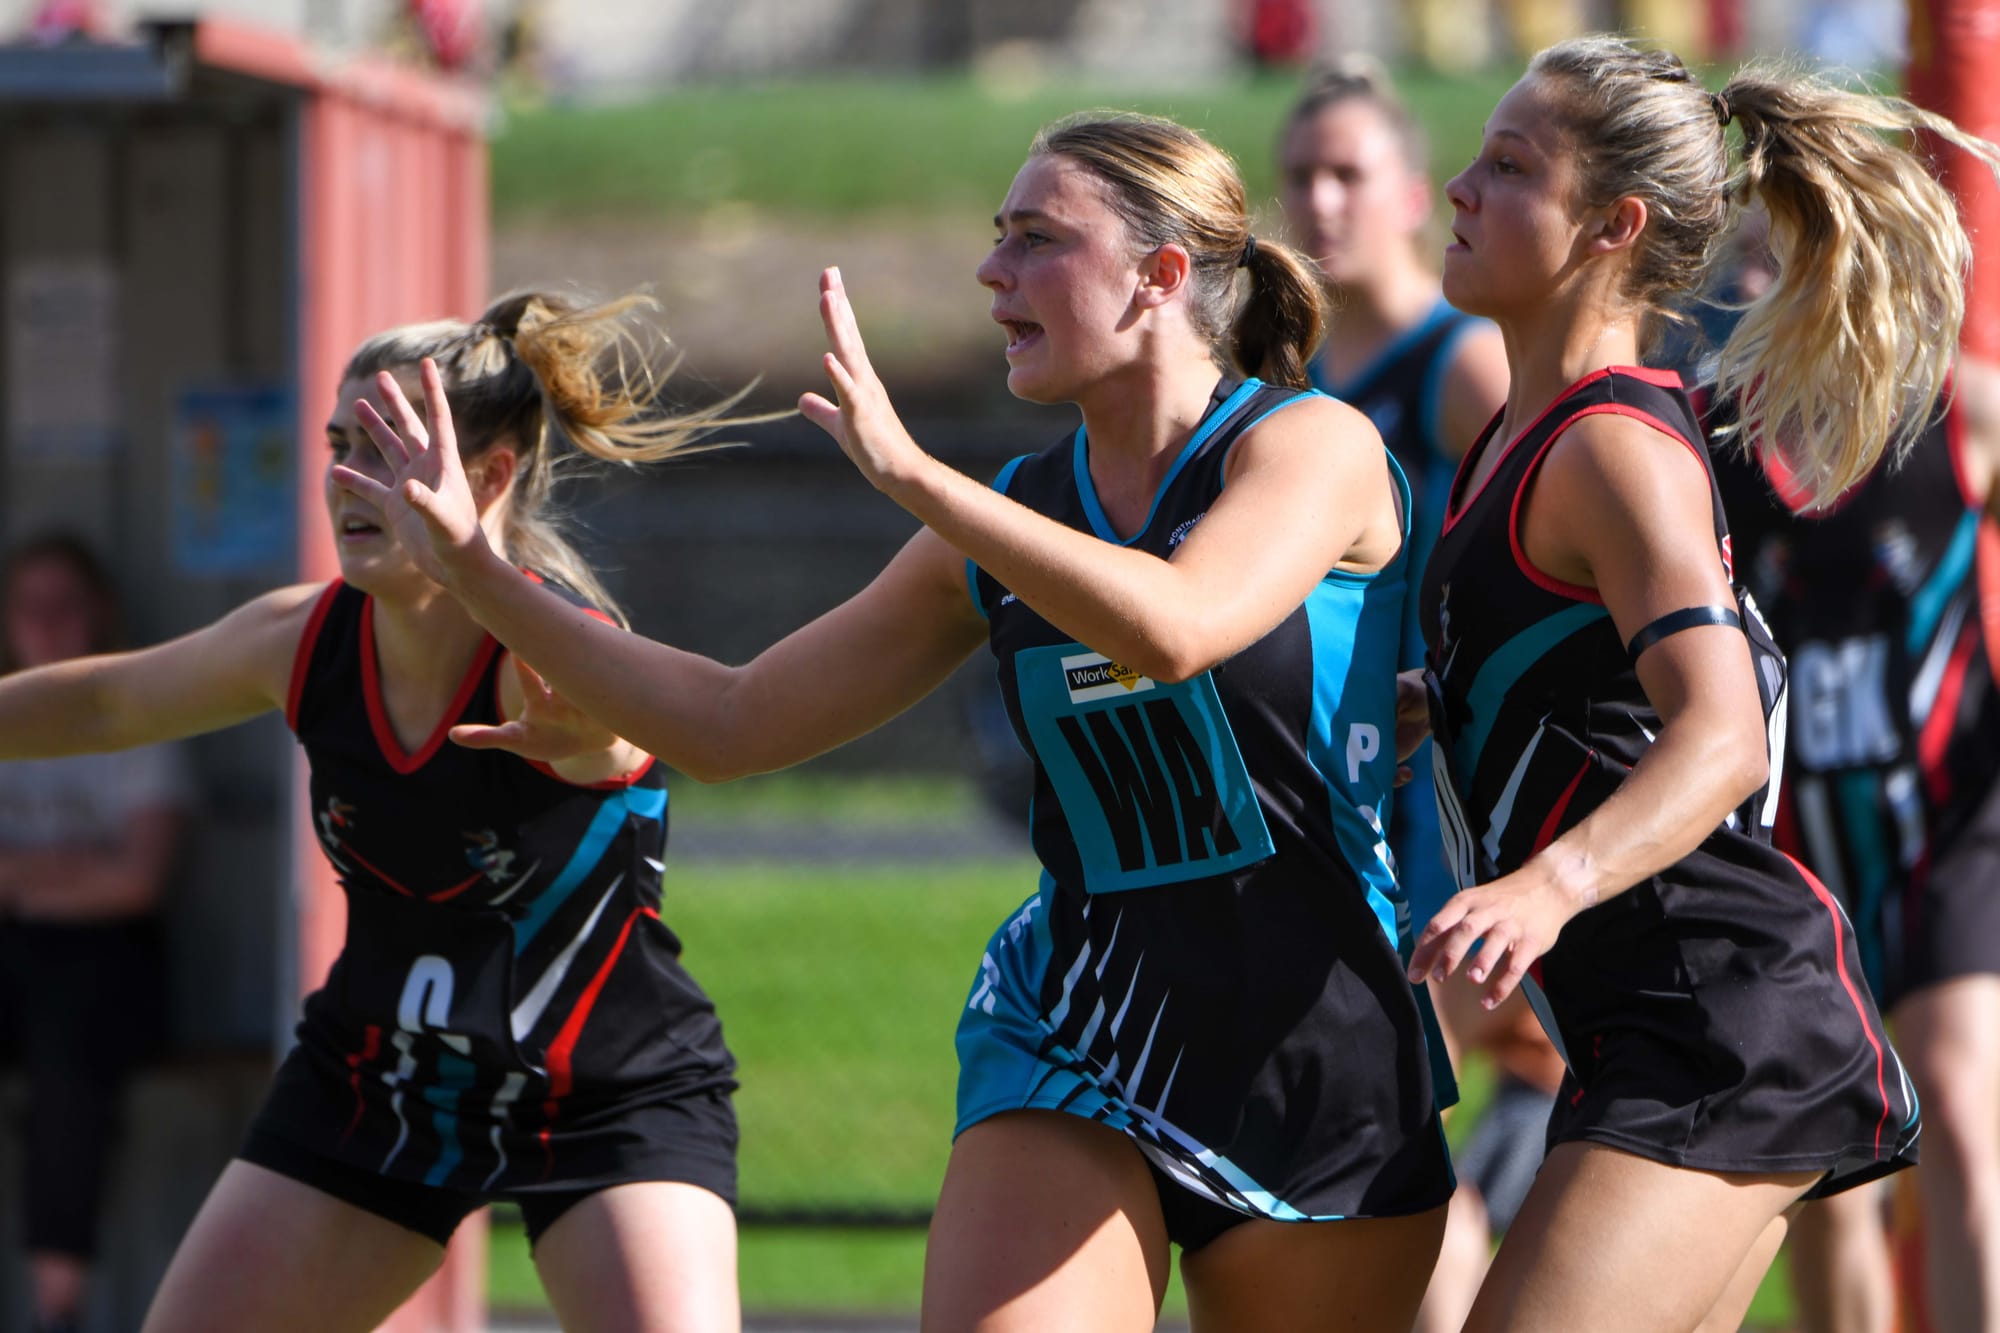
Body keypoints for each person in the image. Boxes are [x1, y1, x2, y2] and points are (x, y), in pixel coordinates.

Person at [338, 112, 1457, 1332]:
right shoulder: (1009, 517)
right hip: (1077, 1031)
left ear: (1160, 275)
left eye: (1035, 240)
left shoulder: (1311, 445)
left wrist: (919, 478)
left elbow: (1178, 624)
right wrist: (478, 574)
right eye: (996, 237)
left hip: (1312, 1038)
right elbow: (731, 717)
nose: (993, 272)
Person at [0, 291, 748, 1333]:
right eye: (339, 442)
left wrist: (586, 737)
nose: (349, 478)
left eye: (389, 447)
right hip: (381, 1081)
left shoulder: (554, 656)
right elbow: (106, 700)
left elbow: (621, 734)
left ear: (487, 478)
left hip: (601, 1090)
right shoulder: (300, 640)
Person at [1400, 34, 1998, 1330]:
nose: (1458, 188)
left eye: (1507, 167)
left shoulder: (1612, 447)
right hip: (1649, 1029)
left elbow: (1722, 736)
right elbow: (1583, 690)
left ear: (1610, 226)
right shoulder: (1510, 437)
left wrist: (1546, 884)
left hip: (1719, 1023)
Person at [1713, 353, 2000, 1332]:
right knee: (1832, 1175)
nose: (1760, 276)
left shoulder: (1959, 410)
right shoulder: (1704, 441)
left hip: (1948, 835)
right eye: (1746, 254)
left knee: (1959, 1108)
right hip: (1792, 863)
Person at [1276, 59, 1511, 934]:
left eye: (1348, 176)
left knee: (1454, 1024)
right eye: (1301, 177)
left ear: (1414, 196)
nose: (1321, 202)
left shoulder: (1463, 364)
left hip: (1434, 760)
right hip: (1335, 757)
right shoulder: (1293, 377)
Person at [0, 535, 190, 1333]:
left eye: (64, 606)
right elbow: (108, 870)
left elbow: (140, 880)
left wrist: (22, 877)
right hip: (16, 957)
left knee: (68, 1044)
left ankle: (57, 1302)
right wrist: (80, 867)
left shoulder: (138, 714)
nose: (46, 626)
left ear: (99, 613)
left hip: (107, 969)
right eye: (29, 608)